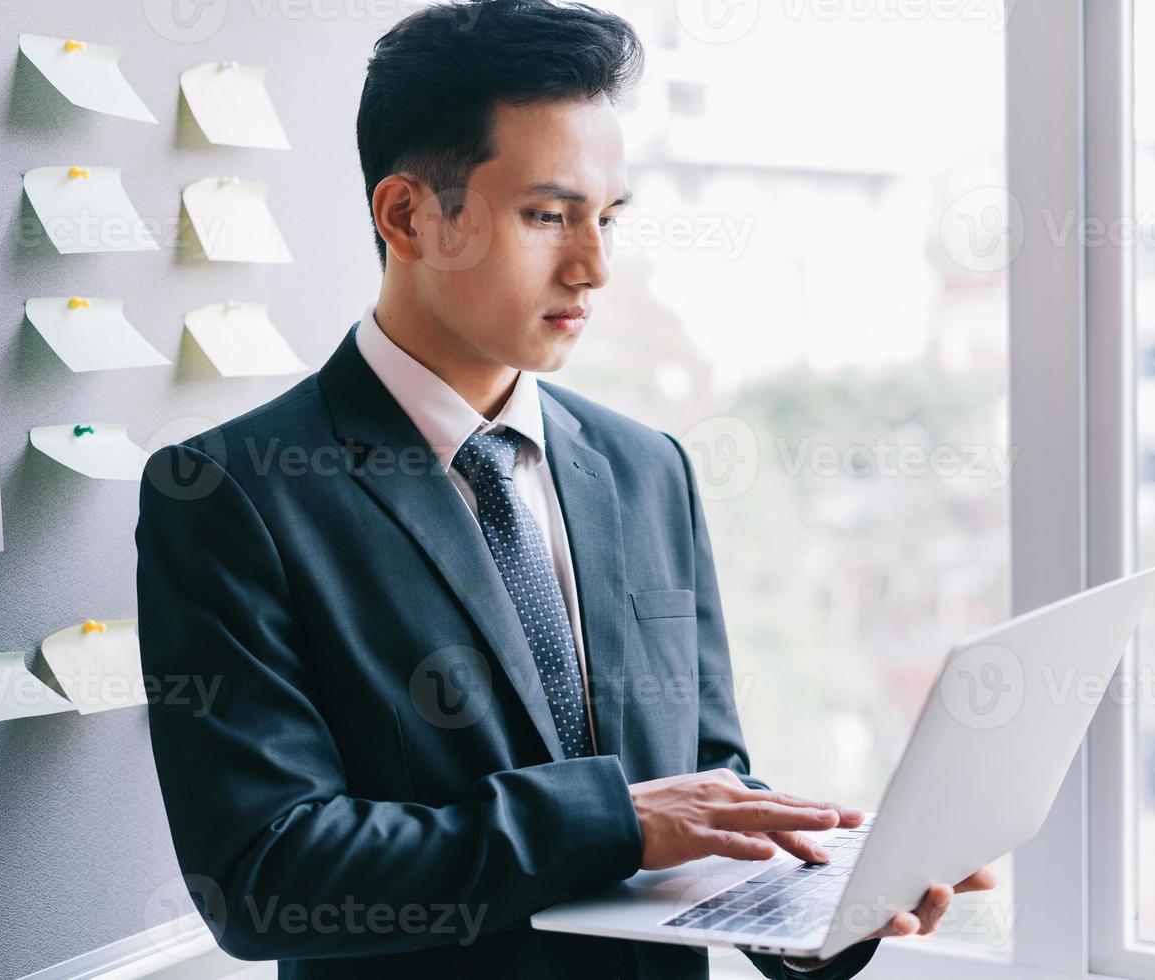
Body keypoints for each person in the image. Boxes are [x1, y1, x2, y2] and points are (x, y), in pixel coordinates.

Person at [135, 1, 994, 977]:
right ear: (409, 215)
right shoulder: (229, 491)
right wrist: (615, 820)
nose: (594, 266)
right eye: (549, 215)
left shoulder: (647, 467)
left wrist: (819, 907)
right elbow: (269, 874)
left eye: (609, 217)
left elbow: (704, 787)